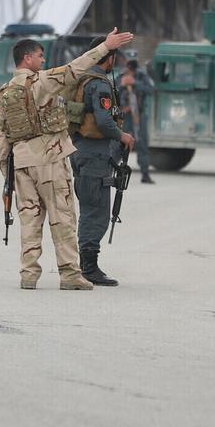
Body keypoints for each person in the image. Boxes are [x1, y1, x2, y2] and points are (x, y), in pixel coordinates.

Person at [0, 28, 133, 290]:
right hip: (49, 159)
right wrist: (105, 47)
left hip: (21, 163)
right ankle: (70, 274)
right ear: (27, 59)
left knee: (30, 219)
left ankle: (28, 275)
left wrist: (7, 173)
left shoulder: (4, 92)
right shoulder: (42, 82)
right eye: (39, 56)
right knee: (63, 217)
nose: (43, 61)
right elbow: (74, 68)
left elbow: (0, 136)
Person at [70, 35, 136, 286]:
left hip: (81, 151)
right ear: (108, 58)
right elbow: (104, 120)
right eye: (114, 57)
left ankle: (86, 264)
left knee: (91, 208)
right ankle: (88, 267)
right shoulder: (99, 84)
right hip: (94, 154)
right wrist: (123, 136)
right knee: (95, 211)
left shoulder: (81, 78)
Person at [125, 57, 155, 184]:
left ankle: (145, 173)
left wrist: (135, 83)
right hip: (124, 115)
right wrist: (123, 85)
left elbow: (150, 90)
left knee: (142, 143)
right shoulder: (121, 76)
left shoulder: (142, 77)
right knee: (117, 145)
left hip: (138, 115)